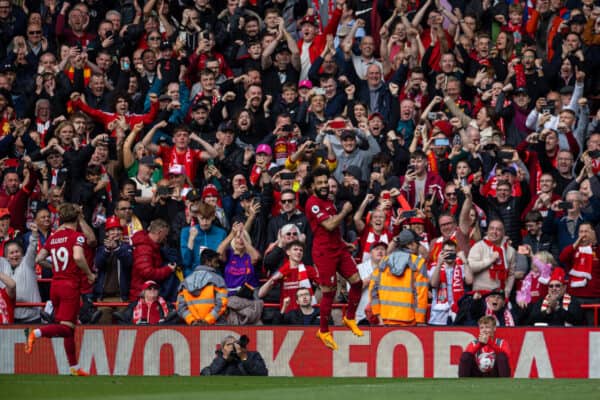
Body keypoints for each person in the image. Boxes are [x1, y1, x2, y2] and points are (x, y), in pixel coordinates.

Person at [26, 203, 96, 376]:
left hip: (55, 286)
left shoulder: (53, 237)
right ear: (76, 218)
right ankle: (35, 332)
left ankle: (74, 367)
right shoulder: (77, 236)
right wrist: (89, 274)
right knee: (65, 328)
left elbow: (39, 259)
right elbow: (78, 256)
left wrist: (56, 268)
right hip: (69, 286)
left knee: (68, 328)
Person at [305, 167, 364, 350]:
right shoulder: (312, 204)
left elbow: (334, 230)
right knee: (329, 292)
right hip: (324, 254)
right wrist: (345, 211)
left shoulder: (329, 202)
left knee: (357, 282)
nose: (324, 186)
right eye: (320, 183)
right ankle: (323, 331)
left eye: (326, 183)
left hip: (338, 248)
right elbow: (329, 225)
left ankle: (350, 317)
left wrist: (343, 242)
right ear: (313, 185)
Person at [369, 229, 429, 326]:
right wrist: (420, 321)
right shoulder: (418, 263)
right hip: (410, 322)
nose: (418, 246)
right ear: (410, 245)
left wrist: (378, 316)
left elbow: (373, 291)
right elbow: (421, 294)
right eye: (417, 243)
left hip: (385, 320)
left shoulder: (383, 262)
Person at [176, 249, 228, 325]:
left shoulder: (185, 282)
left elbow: (180, 307)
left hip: (192, 328)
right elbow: (222, 304)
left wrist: (192, 321)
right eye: (216, 262)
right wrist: (207, 321)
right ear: (208, 262)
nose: (218, 265)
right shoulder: (218, 280)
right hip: (216, 326)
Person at [200, 334, 268, 376]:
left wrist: (244, 357)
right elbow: (206, 374)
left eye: (235, 344)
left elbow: (262, 373)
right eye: (229, 344)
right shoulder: (220, 360)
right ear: (222, 349)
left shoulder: (252, 356)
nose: (232, 346)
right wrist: (224, 358)